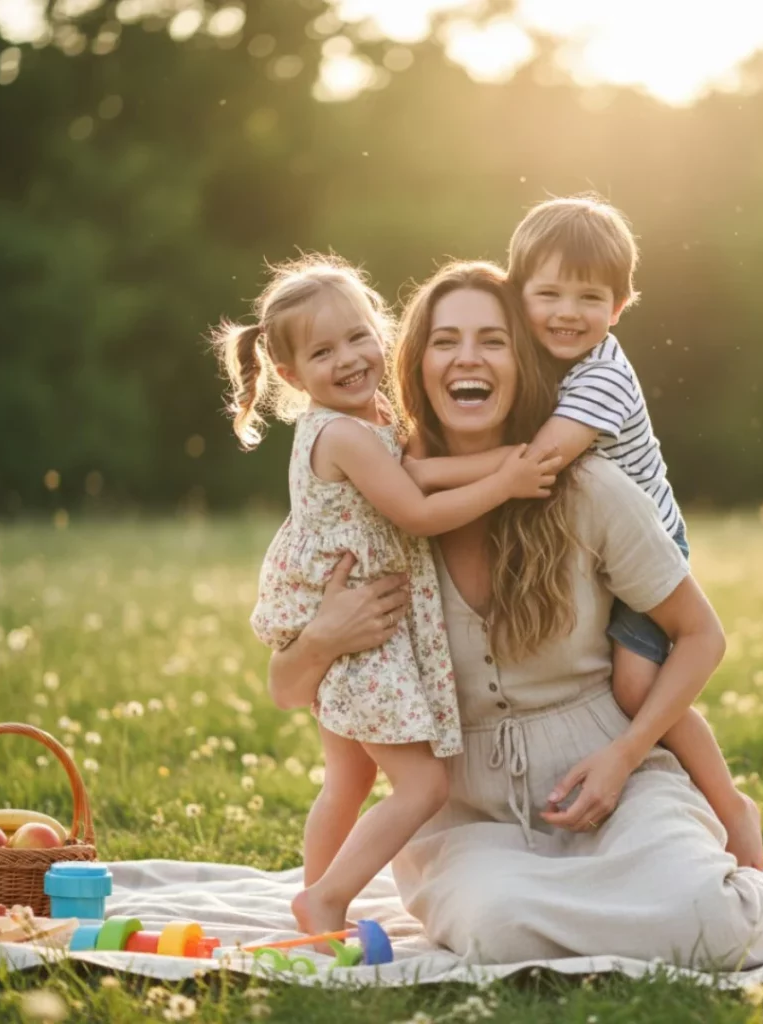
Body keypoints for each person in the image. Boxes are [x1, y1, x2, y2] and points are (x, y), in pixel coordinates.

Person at [268, 260, 763, 968]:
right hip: (467, 816)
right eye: (446, 341)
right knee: (499, 930)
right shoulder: (376, 507)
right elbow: (289, 690)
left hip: (613, 780)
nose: (469, 357)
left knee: (711, 920)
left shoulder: (586, 485)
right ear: (418, 361)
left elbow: (698, 634)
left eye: (492, 340)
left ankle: (761, 903)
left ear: (522, 359)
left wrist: (624, 755)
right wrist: (322, 637)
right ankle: (669, 902)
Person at [405, 195, 763, 869]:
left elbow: (538, 464)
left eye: (590, 297)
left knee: (632, 689)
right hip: (480, 789)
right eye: (548, 294)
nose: (568, 313)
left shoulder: (600, 377)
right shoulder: (537, 362)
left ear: (619, 307)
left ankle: (731, 808)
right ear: (518, 296)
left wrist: (425, 477)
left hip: (650, 536)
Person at [212, 254, 559, 939]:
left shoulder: (368, 419)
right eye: (322, 351)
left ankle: (316, 900)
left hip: (354, 622)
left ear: (382, 333)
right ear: (289, 374)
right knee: (423, 787)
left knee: (344, 778)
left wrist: (500, 456)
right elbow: (417, 510)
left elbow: (423, 469)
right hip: (364, 636)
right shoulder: (340, 432)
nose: (348, 358)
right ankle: (327, 898)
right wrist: (504, 483)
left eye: (358, 337)